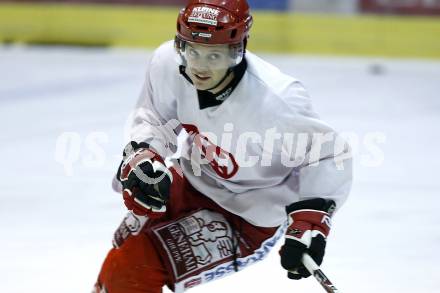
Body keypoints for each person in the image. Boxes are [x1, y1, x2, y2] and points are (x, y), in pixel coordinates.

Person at [93, 0, 352, 292]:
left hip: (246, 216)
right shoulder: (168, 63)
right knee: (120, 260)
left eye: (214, 55)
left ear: (237, 50)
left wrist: (310, 221)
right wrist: (145, 157)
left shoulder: (277, 100)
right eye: (193, 51)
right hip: (191, 179)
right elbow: (154, 117)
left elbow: (328, 153)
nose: (200, 67)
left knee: (132, 266)